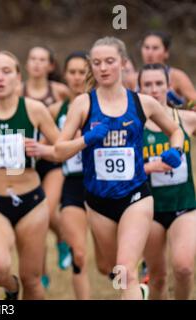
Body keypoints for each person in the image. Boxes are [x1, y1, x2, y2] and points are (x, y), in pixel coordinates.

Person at [54, 36, 184, 299]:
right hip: (98, 201)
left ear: (123, 64)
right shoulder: (83, 104)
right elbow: (59, 150)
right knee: (108, 268)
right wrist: (87, 139)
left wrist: (176, 150)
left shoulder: (142, 103)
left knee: (126, 270)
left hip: (135, 195)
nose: (103, 68)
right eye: (97, 63)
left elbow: (175, 130)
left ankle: (135, 286)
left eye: (110, 62)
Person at [0, 50, 60, 299]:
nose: (0, 78)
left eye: (7, 72)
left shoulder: (35, 110)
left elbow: (61, 150)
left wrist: (44, 149)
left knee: (33, 280)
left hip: (32, 203)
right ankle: (10, 287)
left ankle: (23, 286)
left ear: (18, 78)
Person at [139, 63, 196, 300]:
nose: (154, 89)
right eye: (148, 85)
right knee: (157, 276)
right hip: (148, 209)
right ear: (139, 88)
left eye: (159, 83)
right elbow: (121, 171)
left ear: (169, 86)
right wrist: (150, 167)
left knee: (183, 268)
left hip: (183, 206)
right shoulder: (132, 125)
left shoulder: (186, 119)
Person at [22, 46, 71, 286]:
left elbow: (67, 123)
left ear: (51, 65)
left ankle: (62, 239)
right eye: (33, 58)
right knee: (36, 220)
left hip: (51, 160)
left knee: (48, 212)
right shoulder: (17, 90)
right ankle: (41, 273)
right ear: (27, 63)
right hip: (26, 164)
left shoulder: (60, 91)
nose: (37, 64)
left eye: (43, 59)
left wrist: (42, 143)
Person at [48, 51, 91, 299]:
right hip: (72, 183)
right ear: (65, 75)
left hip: (104, 184)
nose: (76, 78)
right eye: (72, 72)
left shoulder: (102, 106)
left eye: (82, 72)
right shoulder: (56, 110)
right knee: (79, 254)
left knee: (108, 264)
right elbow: (48, 147)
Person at [141, 31, 196, 106]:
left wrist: (185, 112)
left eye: (155, 48)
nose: (149, 53)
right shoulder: (133, 79)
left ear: (166, 52)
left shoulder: (177, 76)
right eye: (146, 47)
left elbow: (194, 101)